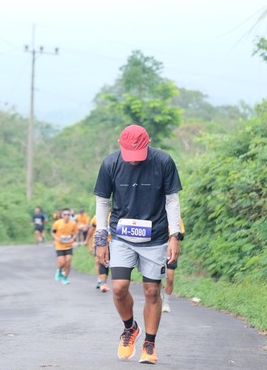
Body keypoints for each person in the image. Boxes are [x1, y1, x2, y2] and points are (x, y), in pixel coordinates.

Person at [94, 124, 182, 365]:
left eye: (138, 155)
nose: (133, 160)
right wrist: (101, 239)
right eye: (129, 155)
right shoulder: (110, 164)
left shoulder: (163, 162)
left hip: (155, 237)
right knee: (119, 287)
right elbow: (102, 202)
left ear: (148, 143)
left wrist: (174, 236)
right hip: (121, 236)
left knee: (152, 291)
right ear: (120, 145)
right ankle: (130, 328)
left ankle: (149, 344)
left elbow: (172, 200)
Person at [162, 218, 185, 313]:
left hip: (170, 251)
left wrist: (172, 233)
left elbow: (182, 235)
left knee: (170, 279)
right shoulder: (156, 213)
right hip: (157, 249)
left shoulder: (176, 218)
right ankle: (157, 298)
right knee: (155, 278)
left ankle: (165, 302)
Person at [51, 207, 78, 285]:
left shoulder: (73, 223)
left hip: (68, 245)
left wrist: (73, 238)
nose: (66, 216)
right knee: (62, 262)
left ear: (70, 215)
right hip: (59, 246)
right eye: (65, 214)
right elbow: (53, 232)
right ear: (62, 215)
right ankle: (59, 270)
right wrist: (57, 238)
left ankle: (65, 277)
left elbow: (75, 233)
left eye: (68, 214)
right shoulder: (57, 223)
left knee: (68, 261)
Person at [86, 214, 111, 292]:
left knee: (107, 263)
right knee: (99, 261)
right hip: (100, 243)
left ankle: (104, 280)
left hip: (112, 243)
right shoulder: (97, 217)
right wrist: (88, 242)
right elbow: (91, 230)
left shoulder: (116, 215)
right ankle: (101, 281)